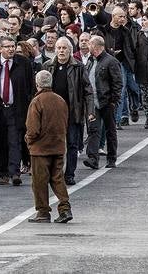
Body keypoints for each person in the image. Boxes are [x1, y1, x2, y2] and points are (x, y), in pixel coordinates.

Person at [24, 69, 73, 224]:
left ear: (37, 84)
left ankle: (43, 212)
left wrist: (29, 140)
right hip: (58, 145)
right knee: (58, 178)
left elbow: (33, 128)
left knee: (39, 181)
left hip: (40, 149)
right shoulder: (60, 100)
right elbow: (65, 122)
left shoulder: (37, 101)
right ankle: (65, 208)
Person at [44, 36, 90, 185]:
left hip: (72, 111)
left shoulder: (78, 67)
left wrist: (90, 111)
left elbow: (87, 91)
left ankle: (69, 174)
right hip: (52, 114)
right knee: (52, 144)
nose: (61, 51)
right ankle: (54, 173)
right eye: (59, 48)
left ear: (70, 50)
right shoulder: (47, 66)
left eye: (64, 48)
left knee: (72, 144)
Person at [0, 36, 34, 187]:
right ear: (0, 49)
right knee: (1, 142)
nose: (11, 49)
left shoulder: (24, 63)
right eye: (7, 47)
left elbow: (30, 87)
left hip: (17, 108)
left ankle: (15, 172)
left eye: (12, 46)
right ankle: (3, 174)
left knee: (15, 140)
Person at [82, 35, 124, 170]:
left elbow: (118, 82)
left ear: (97, 47)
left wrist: (113, 101)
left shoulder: (111, 62)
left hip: (107, 102)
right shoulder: (90, 61)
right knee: (93, 130)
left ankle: (112, 158)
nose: (87, 47)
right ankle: (93, 158)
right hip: (92, 102)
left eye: (90, 45)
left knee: (110, 130)